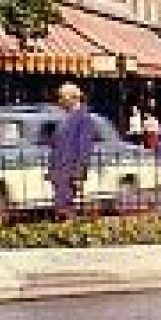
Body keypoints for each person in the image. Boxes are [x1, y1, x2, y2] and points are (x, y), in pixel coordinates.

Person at [48, 82, 96, 218]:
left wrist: (79, 172)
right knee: (59, 208)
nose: (60, 101)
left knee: (66, 209)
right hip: (60, 171)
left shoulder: (84, 118)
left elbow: (84, 147)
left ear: (74, 98)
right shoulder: (65, 117)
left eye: (63, 98)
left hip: (70, 171)